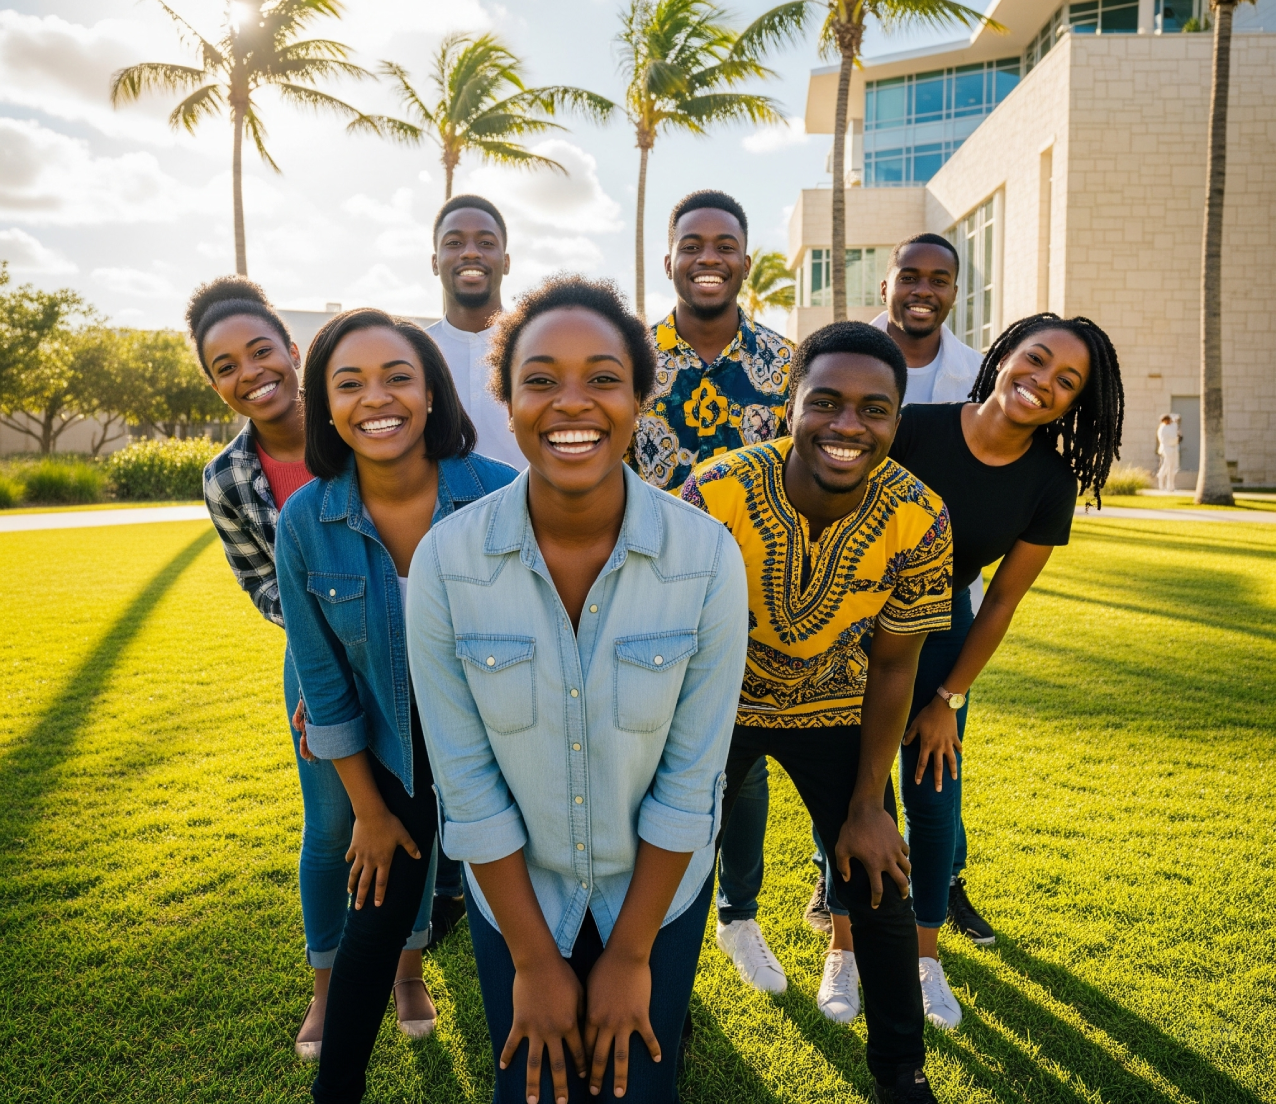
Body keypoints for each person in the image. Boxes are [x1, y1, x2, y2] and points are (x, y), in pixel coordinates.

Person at [407, 276, 749, 1104]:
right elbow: (466, 783)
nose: (572, 404)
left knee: (638, 1092)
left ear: (638, 398)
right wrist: (533, 959)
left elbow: (692, 778)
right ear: (507, 398)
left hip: (656, 899)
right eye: (540, 379)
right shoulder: (446, 564)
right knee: (533, 1088)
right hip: (517, 896)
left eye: (602, 378)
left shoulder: (706, 559)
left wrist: (631, 957)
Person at [682, 321, 953, 1104]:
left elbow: (895, 665)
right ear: (787, 408)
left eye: (875, 410)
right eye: (826, 402)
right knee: (666, 870)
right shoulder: (716, 493)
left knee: (879, 878)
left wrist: (869, 804)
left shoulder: (919, 516)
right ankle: (664, 1022)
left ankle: (901, 1075)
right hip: (712, 707)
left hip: (835, 706)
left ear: (897, 422)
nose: (848, 425)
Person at [276, 309, 516, 1102]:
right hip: (391, 737)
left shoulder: (500, 495)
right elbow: (325, 683)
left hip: (500, 740)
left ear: (431, 392)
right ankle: (336, 1088)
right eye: (349, 383)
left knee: (513, 921)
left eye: (397, 377)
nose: (375, 398)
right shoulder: (307, 519)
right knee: (374, 907)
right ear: (326, 403)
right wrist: (371, 814)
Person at [196, 278, 435, 1060]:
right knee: (335, 823)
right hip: (320, 658)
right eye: (224, 365)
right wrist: (326, 648)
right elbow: (263, 583)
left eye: (261, 350)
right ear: (214, 383)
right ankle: (329, 986)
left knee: (418, 808)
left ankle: (407, 971)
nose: (249, 372)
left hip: (419, 648)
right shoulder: (228, 479)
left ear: (294, 353)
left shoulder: (369, 421)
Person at [884, 312, 1124, 1029]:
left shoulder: (1048, 482)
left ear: (1075, 404)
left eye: (1066, 382)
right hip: (857, 627)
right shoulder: (912, 426)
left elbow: (1001, 604)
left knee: (932, 799)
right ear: (1004, 356)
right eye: (1037, 360)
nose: (1042, 383)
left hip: (944, 631)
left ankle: (925, 959)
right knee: (855, 791)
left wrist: (947, 699)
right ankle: (848, 946)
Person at [626, 188, 795, 1000]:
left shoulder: (787, 365)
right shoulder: (626, 355)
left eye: (724, 244)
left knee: (741, 766)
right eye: (692, 244)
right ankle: (646, 924)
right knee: (644, 759)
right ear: (669, 260)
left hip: (749, 602)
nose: (708, 258)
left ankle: (739, 917)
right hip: (642, 591)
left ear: (745, 260)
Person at [802, 233, 987, 940]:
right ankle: (834, 878)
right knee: (844, 755)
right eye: (909, 275)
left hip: (937, 594)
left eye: (939, 279)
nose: (923, 290)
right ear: (885, 285)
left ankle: (944, 887)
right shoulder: (840, 356)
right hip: (842, 589)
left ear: (953, 292)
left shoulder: (977, 374)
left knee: (935, 763)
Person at [426, 193, 525, 471]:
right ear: (435, 262)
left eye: (486, 243)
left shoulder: (538, 345)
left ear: (505, 262)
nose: (470, 252)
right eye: (454, 243)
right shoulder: (416, 353)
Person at [1156, 414, 1180, 491]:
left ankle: (1171, 487)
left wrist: (1175, 440)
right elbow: (1164, 440)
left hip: (1173, 448)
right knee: (1167, 467)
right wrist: (1175, 440)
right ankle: (1163, 486)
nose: (1169, 421)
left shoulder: (1172, 425)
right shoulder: (1162, 429)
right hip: (1166, 449)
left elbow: (1176, 417)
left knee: (1172, 467)